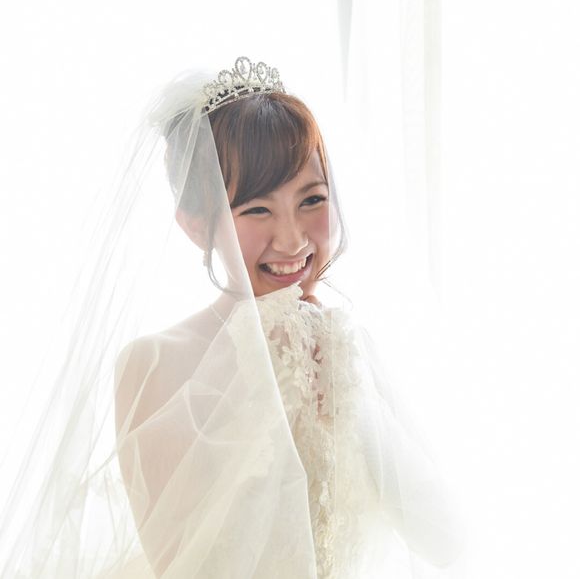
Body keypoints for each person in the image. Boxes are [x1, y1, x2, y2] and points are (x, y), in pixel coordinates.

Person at [0, 56, 464, 578]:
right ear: (197, 226)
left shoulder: (350, 347)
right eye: (257, 210)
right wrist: (278, 387)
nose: (293, 239)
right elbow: (187, 565)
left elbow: (445, 540)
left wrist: (346, 398)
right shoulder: (154, 363)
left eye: (312, 199)